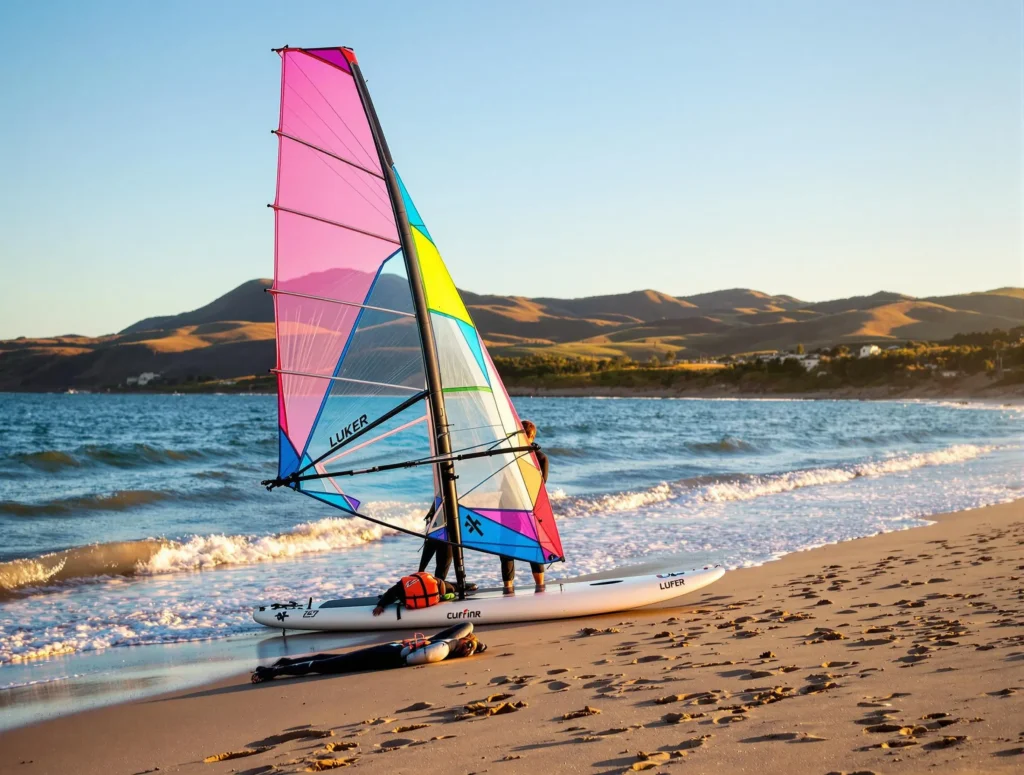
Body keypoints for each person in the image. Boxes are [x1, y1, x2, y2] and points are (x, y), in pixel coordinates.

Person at [250, 622, 485, 681]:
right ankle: (277, 670)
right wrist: (471, 645)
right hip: (385, 653)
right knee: (327, 664)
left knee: (328, 662)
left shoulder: (441, 648)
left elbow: (458, 637)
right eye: (467, 644)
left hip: (386, 654)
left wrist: (463, 645)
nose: (466, 647)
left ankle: (279, 667)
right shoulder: (442, 643)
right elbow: (466, 627)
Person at [500, 419, 549, 594]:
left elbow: (540, 486)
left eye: (523, 436)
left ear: (531, 437)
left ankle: (540, 585)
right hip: (507, 504)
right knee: (506, 546)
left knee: (533, 544)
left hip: (528, 506)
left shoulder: (541, 458)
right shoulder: (508, 456)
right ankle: (508, 587)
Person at [372, 571, 456, 617]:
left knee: (452, 588)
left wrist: (381, 605)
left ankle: (464, 587)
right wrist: (380, 605)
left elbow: (391, 592)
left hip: (407, 593)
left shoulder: (433, 583)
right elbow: (392, 592)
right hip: (407, 593)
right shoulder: (402, 588)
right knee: (452, 589)